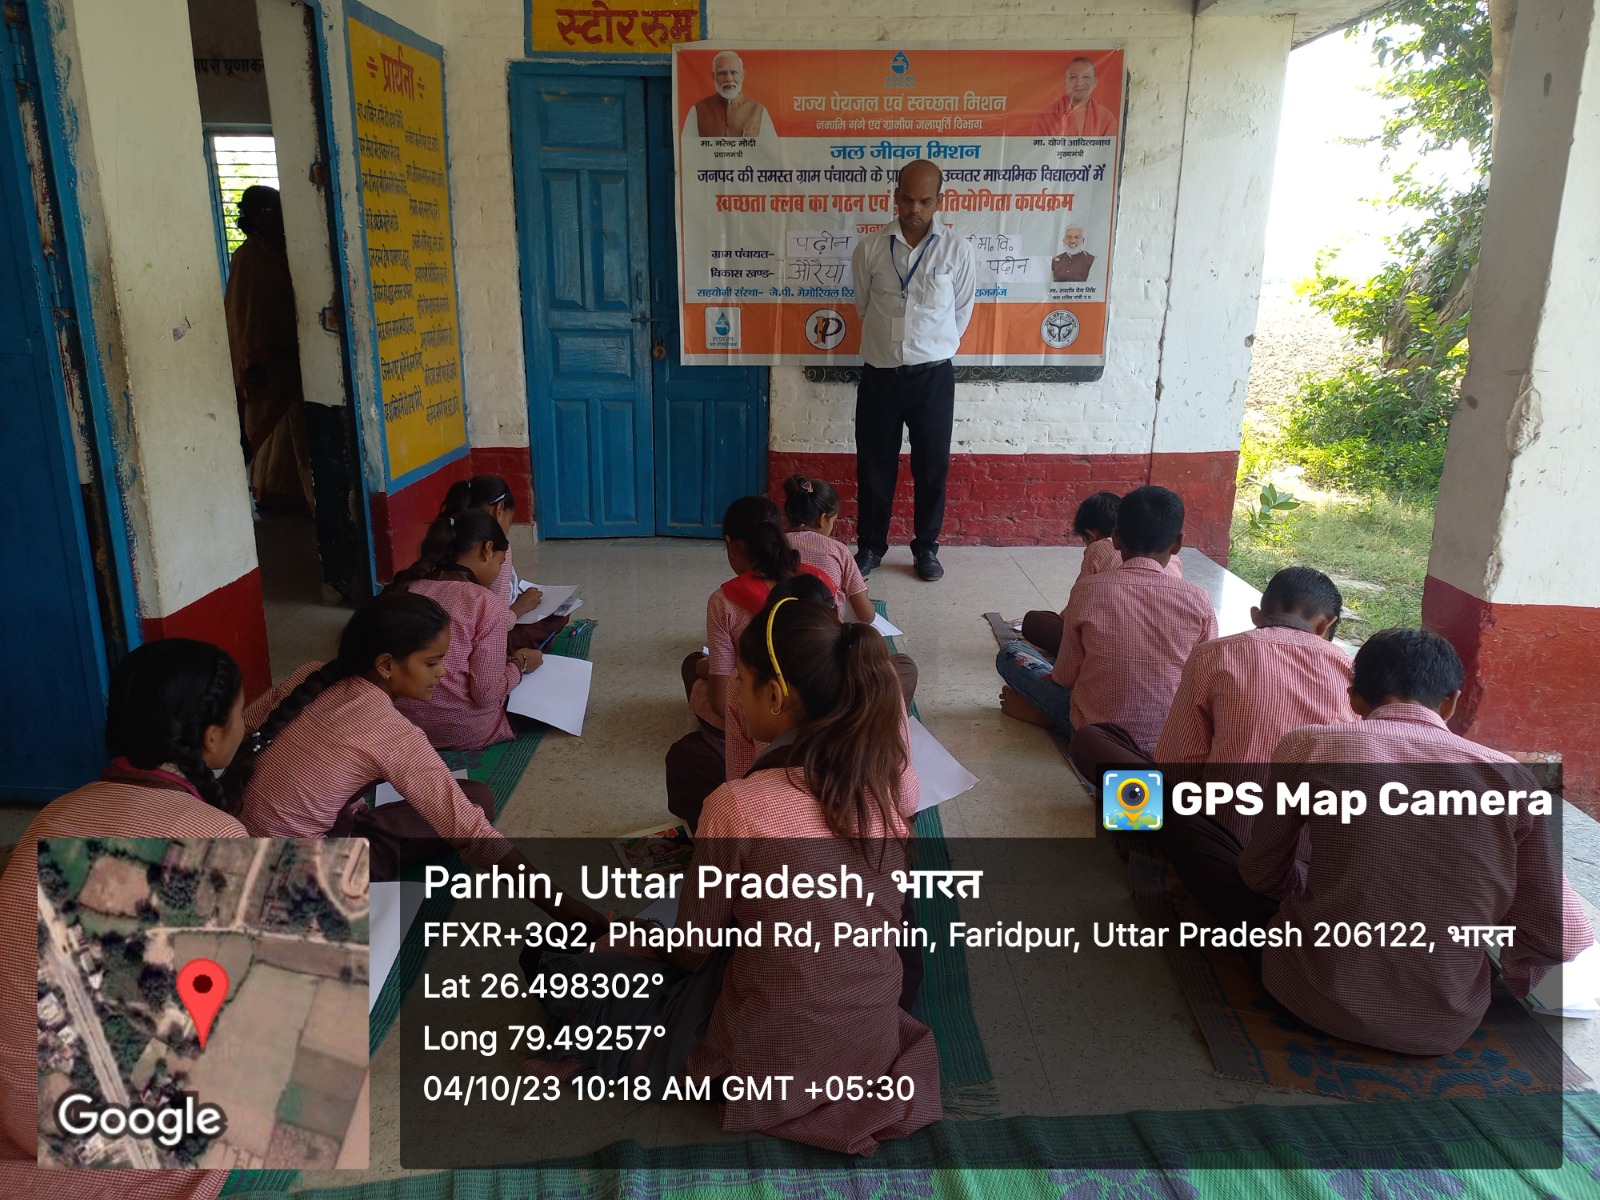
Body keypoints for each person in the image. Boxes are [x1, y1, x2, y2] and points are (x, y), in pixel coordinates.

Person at [533, 600, 941, 1153]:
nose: (731, 696)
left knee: (554, 962)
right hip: (868, 1041)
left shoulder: (738, 805)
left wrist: (630, 936)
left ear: (775, 695)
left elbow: (694, 950)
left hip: (772, 1053)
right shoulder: (883, 784)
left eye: (742, 682)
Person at [1232, 629, 1595, 1056]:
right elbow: (1563, 936)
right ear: (1451, 703)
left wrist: (1319, 884)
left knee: (1199, 840)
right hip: (1442, 1027)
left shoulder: (1311, 745)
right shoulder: (1512, 780)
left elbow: (1261, 874)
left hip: (1309, 997)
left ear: (1354, 699)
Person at [0, 640, 248, 1198]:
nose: (246, 724)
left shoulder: (56, 813)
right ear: (211, 738)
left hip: (14, 1100)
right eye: (240, 713)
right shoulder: (217, 836)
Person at [228, 593, 505, 879]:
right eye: (432, 662)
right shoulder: (392, 733)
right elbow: (472, 831)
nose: (442, 672)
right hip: (298, 875)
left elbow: (245, 731)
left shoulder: (308, 676)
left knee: (464, 796)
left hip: (235, 833)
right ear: (386, 665)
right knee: (476, 801)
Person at [1153, 568, 1353, 906]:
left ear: (1256, 615)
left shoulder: (1213, 655)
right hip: (1311, 870)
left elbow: (1179, 767)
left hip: (1224, 851)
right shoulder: (1351, 673)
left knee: (1111, 760)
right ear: (1326, 625)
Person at [995, 487, 1216, 770]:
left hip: (1096, 733)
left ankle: (1049, 716)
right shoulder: (1200, 600)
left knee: (1012, 653)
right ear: (1177, 544)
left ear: (1115, 538)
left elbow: (1064, 677)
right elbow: (1203, 683)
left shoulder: (1089, 590)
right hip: (1167, 738)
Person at [667, 497, 831, 830]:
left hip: (766, 735)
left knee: (693, 672)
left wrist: (715, 673)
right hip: (820, 725)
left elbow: (724, 707)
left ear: (733, 545)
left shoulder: (725, 602)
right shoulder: (819, 586)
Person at [850, 159, 976, 583]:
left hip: (933, 377)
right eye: (906, 199)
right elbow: (864, 305)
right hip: (880, 375)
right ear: (895, 197)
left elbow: (961, 312)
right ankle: (870, 547)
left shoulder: (957, 250)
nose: (914, 209)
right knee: (874, 466)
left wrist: (929, 345)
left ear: (939, 200)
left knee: (932, 466)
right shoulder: (870, 248)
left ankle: (926, 549)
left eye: (924, 200)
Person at [387, 510, 543, 751]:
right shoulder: (484, 603)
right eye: (501, 562)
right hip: (465, 729)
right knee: (534, 693)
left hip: (404, 724)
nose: (498, 571)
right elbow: (486, 694)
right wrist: (519, 664)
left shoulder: (405, 588)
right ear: (487, 549)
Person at [223, 185, 313, 512]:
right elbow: (242, 313)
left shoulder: (287, 250)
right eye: (275, 211)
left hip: (295, 354)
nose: (282, 217)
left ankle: (302, 495)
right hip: (265, 363)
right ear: (258, 218)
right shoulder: (248, 258)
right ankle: (275, 495)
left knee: (299, 433)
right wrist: (252, 361)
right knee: (274, 430)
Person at [1019, 491, 1182, 657]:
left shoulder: (1099, 548)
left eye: (1085, 540)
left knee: (1034, 621)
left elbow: (1073, 615)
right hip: (1163, 646)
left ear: (1093, 535)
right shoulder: (1175, 560)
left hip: (1112, 645)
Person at [436, 475, 567, 652]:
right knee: (558, 617)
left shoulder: (442, 536)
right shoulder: (496, 551)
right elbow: (495, 624)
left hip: (446, 634)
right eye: (510, 522)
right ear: (499, 509)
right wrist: (518, 609)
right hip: (481, 636)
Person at [782, 473, 875, 623]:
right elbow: (867, 616)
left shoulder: (774, 543)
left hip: (779, 626)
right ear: (822, 518)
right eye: (833, 521)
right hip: (826, 630)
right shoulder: (838, 550)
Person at [686, 51, 767, 137]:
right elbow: (687, 144)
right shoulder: (697, 110)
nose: (729, 79)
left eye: (734, 72)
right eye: (722, 73)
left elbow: (770, 145)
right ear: (714, 76)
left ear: (742, 75)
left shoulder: (759, 111)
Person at [1034, 55, 1119, 137]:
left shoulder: (1106, 118)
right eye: (1073, 77)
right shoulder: (1046, 117)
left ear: (1095, 82)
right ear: (1065, 82)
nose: (1079, 83)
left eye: (1086, 76)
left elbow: (1111, 146)